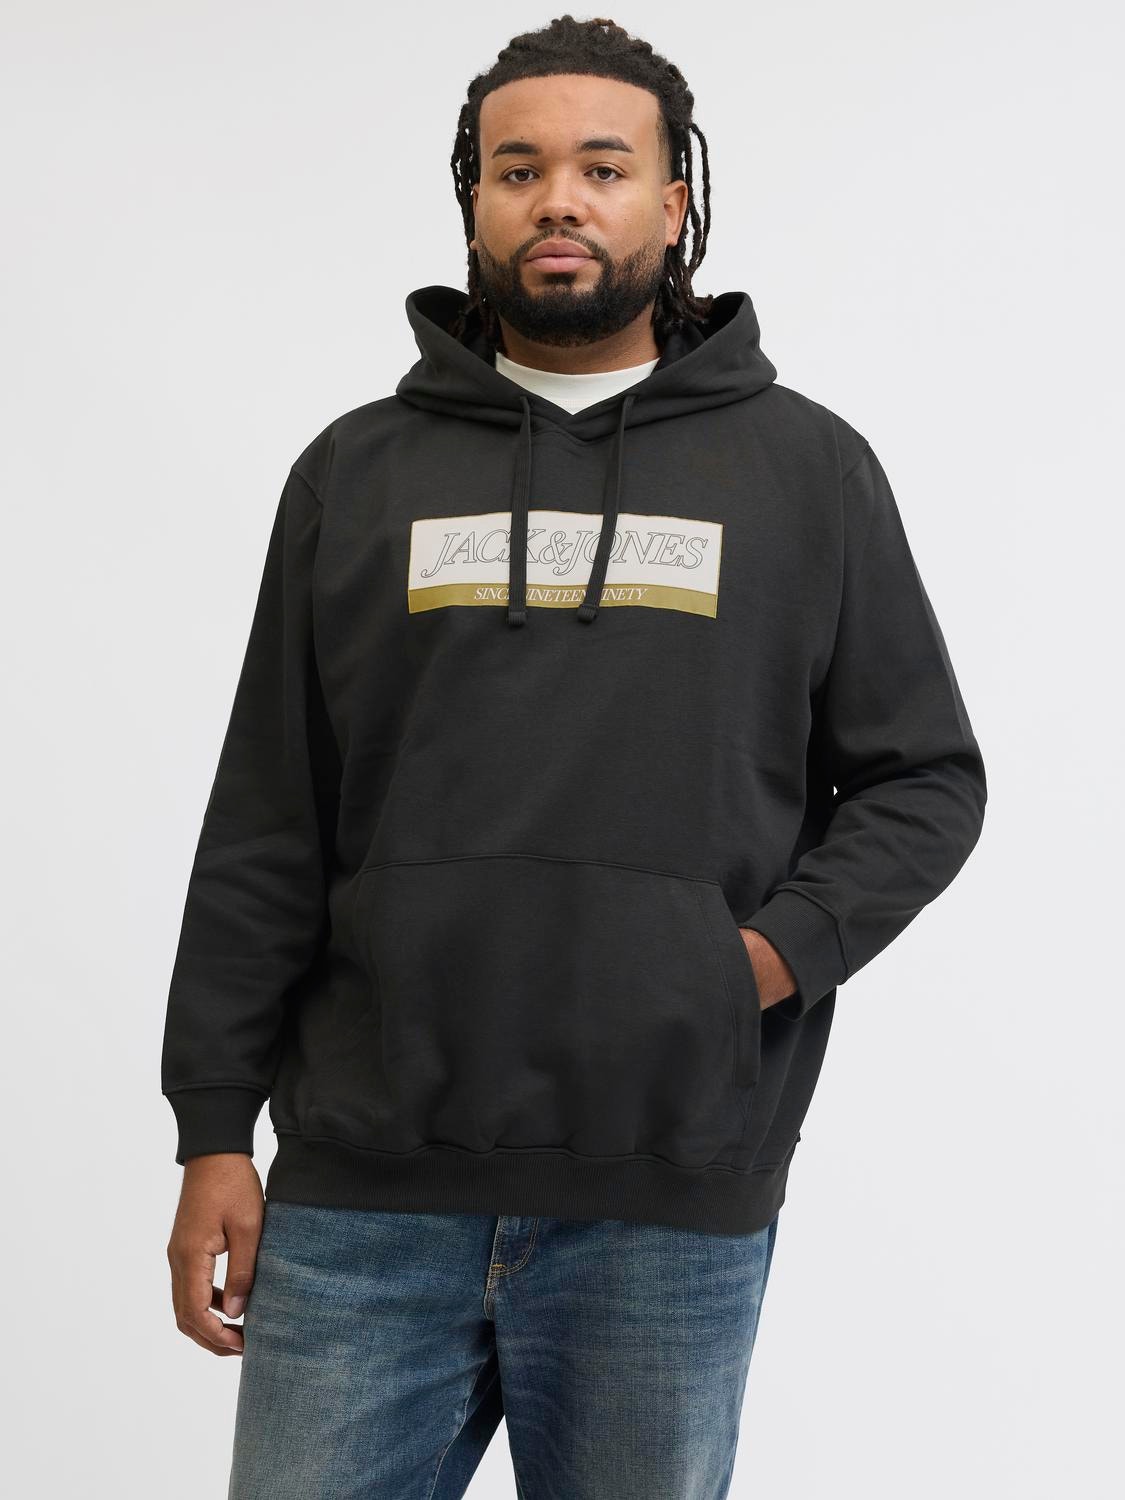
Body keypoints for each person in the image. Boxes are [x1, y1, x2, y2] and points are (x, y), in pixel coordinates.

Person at [161, 15, 988, 1498]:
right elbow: (270, 819)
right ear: (473, 199)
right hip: (361, 1196)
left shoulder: (806, 470)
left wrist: (756, 962)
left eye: (603, 168)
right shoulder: (356, 473)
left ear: (672, 202)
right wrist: (213, 1130)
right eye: (517, 168)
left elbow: (923, 776)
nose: (558, 200)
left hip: (664, 1202)